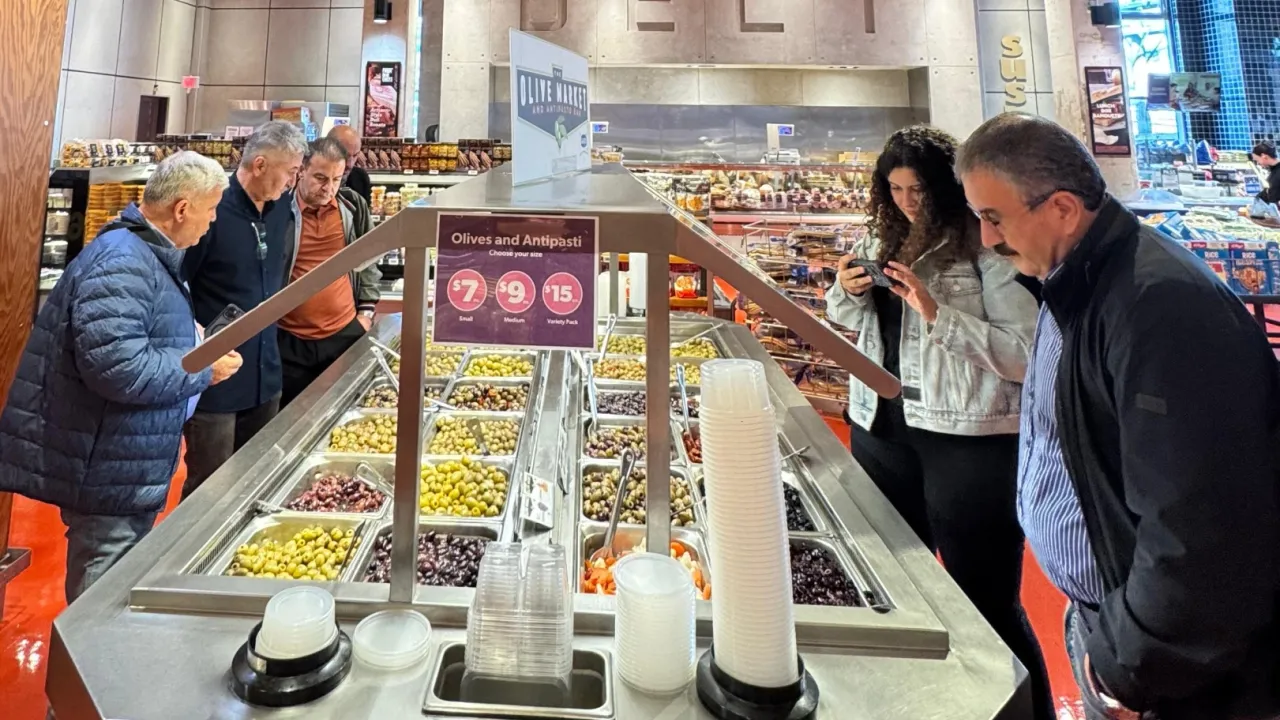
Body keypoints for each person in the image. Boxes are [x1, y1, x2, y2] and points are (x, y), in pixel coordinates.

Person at [958, 112, 1280, 720]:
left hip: (1175, 674)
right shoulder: (1075, 282)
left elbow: (1202, 521)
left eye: (994, 216)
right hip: (1110, 621)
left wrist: (1132, 662)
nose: (986, 237)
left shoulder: (1159, 307)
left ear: (1061, 209)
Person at [826, 125, 1051, 720]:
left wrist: (935, 312)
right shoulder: (881, 237)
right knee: (895, 590)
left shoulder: (986, 247)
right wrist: (846, 291)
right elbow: (850, 319)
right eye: (895, 189)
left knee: (986, 601)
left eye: (918, 189)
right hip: (881, 429)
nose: (906, 201)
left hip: (967, 443)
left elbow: (1027, 353)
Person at [0, 152, 243, 603]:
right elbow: (117, 367)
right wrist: (202, 368)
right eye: (210, 210)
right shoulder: (122, 261)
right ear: (182, 208)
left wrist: (189, 339)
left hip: (124, 461)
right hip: (107, 470)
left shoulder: (146, 256)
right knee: (101, 590)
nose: (213, 221)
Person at [182, 121, 306, 500]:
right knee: (210, 490)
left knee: (258, 483)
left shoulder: (283, 209)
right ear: (260, 165)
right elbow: (178, 286)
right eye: (290, 171)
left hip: (265, 374)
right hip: (216, 383)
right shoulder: (212, 210)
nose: (293, 181)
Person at [278, 137, 381, 406]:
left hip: (345, 333)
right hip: (291, 339)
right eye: (321, 178)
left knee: (342, 411)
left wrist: (366, 314)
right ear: (301, 170)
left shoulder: (352, 206)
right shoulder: (279, 212)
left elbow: (369, 259)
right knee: (290, 417)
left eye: (336, 179)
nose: (329, 188)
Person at [328, 124, 372, 206]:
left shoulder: (361, 178)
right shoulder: (312, 180)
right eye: (345, 156)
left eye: (355, 155)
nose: (350, 164)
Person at [1251, 141, 1280, 205]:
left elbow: (1273, 195)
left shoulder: (1277, 174)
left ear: (1263, 156)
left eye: (1257, 160)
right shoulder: (1274, 171)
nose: (1258, 163)